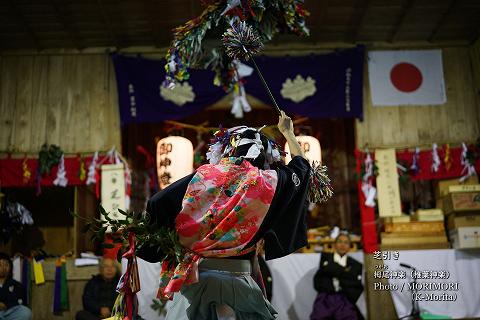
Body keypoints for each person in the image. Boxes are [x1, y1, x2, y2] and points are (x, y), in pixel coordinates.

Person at [136, 111, 326, 320]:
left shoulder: (202, 177)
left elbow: (156, 202)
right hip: (240, 281)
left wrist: (155, 247)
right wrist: (288, 133)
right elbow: (302, 170)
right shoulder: (269, 183)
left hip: (198, 279)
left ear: (226, 150)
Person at [310, 233, 364, 320]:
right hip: (325, 299)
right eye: (340, 242)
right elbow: (318, 281)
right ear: (335, 245)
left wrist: (332, 269)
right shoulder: (326, 258)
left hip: (345, 299)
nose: (342, 245)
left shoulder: (356, 265)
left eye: (346, 242)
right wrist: (345, 272)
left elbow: (356, 286)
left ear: (349, 246)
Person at [0, 253, 31, 320]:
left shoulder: (17, 285)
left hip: (9, 312)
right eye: (0, 264)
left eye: (6, 264)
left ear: (10, 267)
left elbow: (19, 302)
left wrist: (5, 305)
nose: (3, 267)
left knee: (26, 312)